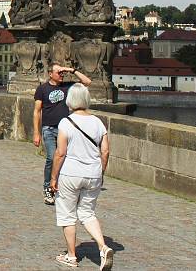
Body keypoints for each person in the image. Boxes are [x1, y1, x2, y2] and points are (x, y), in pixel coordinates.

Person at [50, 84, 113, 270]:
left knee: (68, 214)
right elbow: (106, 151)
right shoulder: (98, 122)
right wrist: (100, 172)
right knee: (87, 212)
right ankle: (103, 246)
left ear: (70, 100)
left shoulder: (66, 122)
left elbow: (60, 153)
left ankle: (71, 256)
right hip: (93, 174)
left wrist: (53, 177)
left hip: (70, 173)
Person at [34, 64, 92, 205]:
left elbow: (87, 82)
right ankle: (48, 187)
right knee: (51, 157)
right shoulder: (42, 89)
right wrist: (36, 132)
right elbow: (37, 111)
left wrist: (71, 70)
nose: (61, 74)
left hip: (64, 129)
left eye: (62, 72)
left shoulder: (67, 86)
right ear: (50, 74)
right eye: (58, 72)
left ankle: (59, 185)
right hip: (48, 128)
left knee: (64, 158)